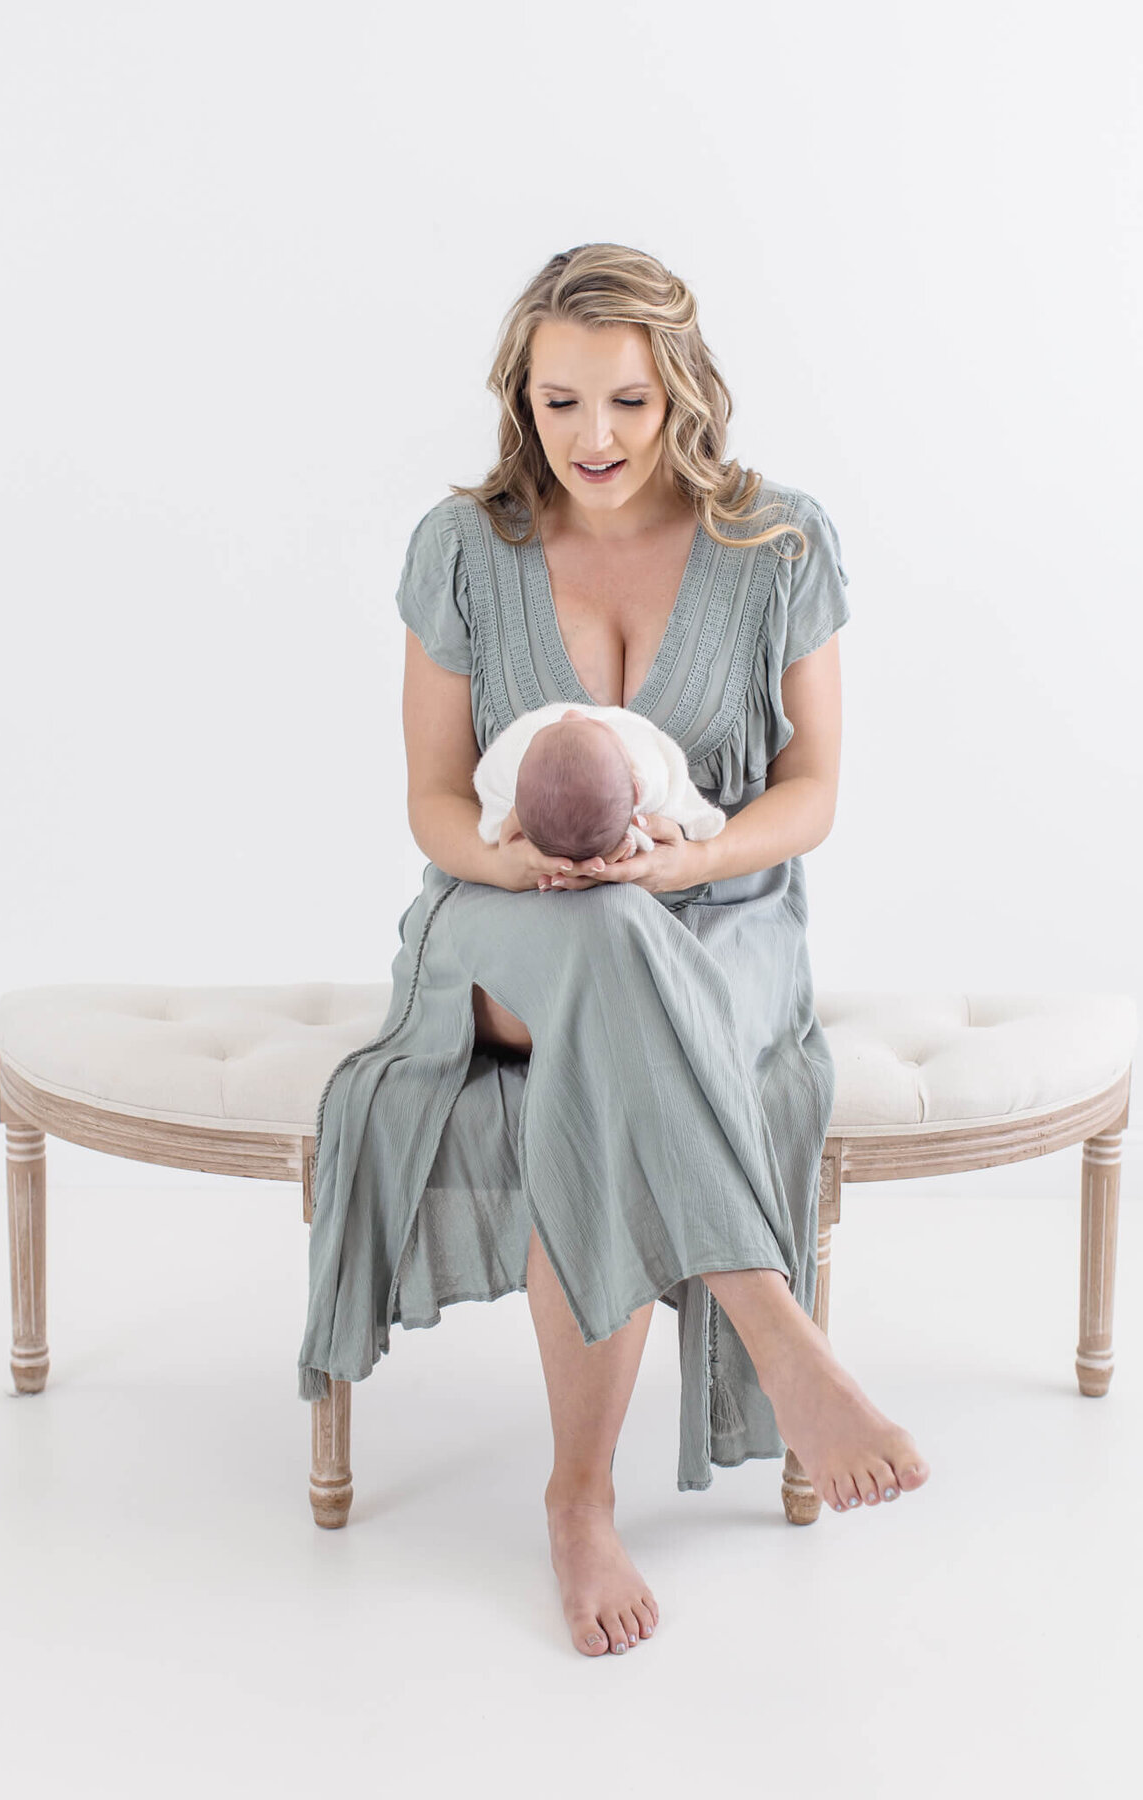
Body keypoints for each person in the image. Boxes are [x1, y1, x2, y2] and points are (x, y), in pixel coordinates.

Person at [297, 241, 931, 1662]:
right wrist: (516, 857)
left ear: (682, 395)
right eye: (561, 402)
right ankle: (777, 1331)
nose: (592, 439)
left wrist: (685, 859)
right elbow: (432, 802)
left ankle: (578, 1496)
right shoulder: (461, 549)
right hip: (502, 912)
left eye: (630, 405)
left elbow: (813, 790)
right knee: (592, 946)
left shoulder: (782, 543)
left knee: (617, 1004)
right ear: (520, 397)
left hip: (721, 919)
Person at [472, 701, 728, 862]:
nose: (571, 713)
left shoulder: (511, 757)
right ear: (637, 791)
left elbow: (490, 782)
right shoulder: (646, 769)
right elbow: (670, 779)